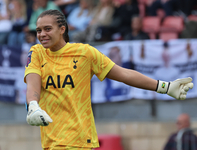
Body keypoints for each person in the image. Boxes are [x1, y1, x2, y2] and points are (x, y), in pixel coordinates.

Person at [24, 9, 194, 150]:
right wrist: (33, 105)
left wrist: (165, 87)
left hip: (78, 140)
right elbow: (33, 82)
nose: (42, 34)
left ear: (62, 29)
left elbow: (124, 74)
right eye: (39, 30)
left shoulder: (85, 53)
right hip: (50, 142)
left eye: (47, 29)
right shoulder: (37, 53)